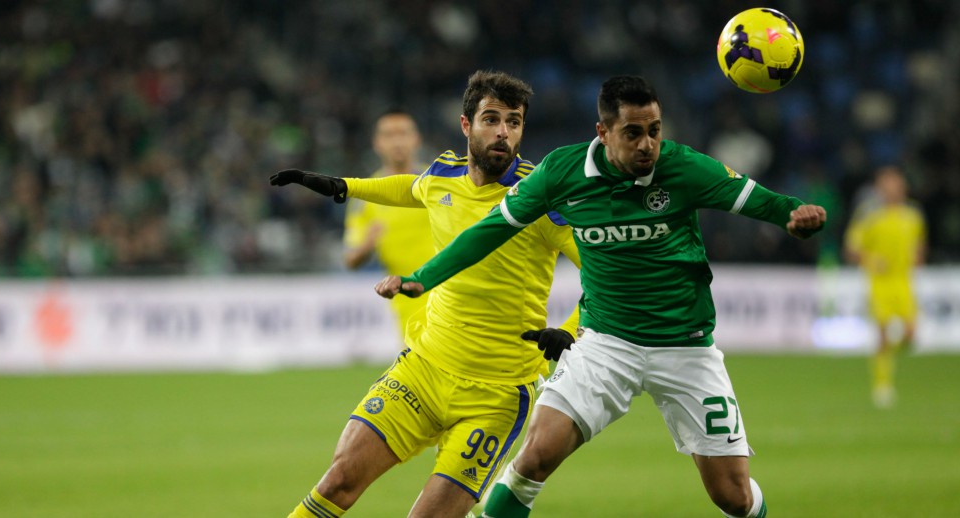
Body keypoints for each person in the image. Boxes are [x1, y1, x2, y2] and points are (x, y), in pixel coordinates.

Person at [376, 76, 827, 518]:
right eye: (632, 133)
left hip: (685, 346)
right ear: (604, 132)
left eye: (654, 130)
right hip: (606, 343)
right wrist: (423, 279)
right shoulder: (563, 172)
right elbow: (490, 230)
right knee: (536, 455)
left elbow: (762, 201)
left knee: (732, 497)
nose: (647, 145)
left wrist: (794, 215)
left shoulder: (683, 167)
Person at [270, 70, 582, 518]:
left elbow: (603, 274)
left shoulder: (541, 199)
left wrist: (569, 330)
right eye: (491, 120)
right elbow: (411, 187)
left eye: (513, 122)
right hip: (424, 368)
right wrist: (344, 186)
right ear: (466, 125)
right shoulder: (443, 174)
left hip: (495, 397)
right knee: (338, 482)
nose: (503, 132)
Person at [342, 109, 434, 339]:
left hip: (449, 294)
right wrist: (367, 244)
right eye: (389, 135)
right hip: (407, 303)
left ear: (416, 139)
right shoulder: (366, 194)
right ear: (377, 143)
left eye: (403, 133)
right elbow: (350, 259)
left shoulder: (438, 182)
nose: (397, 142)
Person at [843, 166, 926, 409]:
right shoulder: (869, 214)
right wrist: (871, 260)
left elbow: (919, 245)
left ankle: (887, 355)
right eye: (887, 185)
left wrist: (918, 256)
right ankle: (882, 386)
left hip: (904, 283)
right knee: (882, 333)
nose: (892, 189)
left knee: (910, 335)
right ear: (879, 189)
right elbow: (851, 250)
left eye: (895, 184)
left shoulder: (913, 215)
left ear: (903, 187)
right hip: (879, 284)